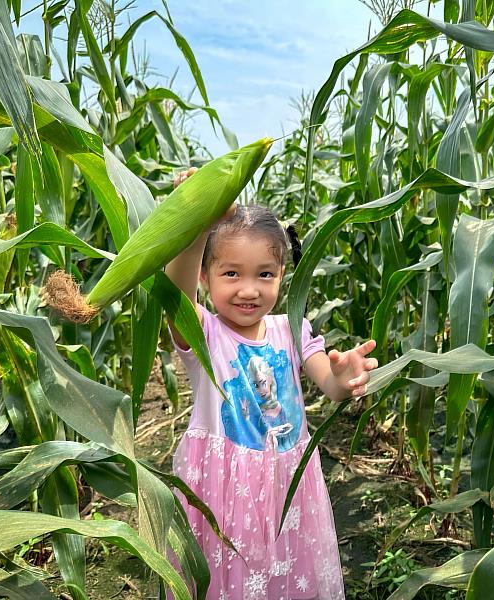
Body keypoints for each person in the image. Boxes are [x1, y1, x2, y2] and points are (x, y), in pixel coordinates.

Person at [166, 167, 378, 600]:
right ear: (205, 278)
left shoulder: (291, 328)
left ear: (283, 274)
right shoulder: (203, 331)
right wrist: (193, 224)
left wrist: (341, 377)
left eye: (265, 274)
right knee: (234, 578)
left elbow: (329, 384)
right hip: (222, 489)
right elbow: (174, 291)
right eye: (231, 274)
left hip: (288, 482)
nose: (249, 290)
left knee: (285, 572)